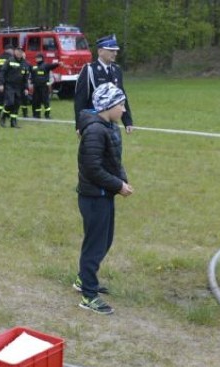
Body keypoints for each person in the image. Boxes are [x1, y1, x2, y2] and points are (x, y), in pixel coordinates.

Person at [74, 83, 134, 315]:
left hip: (104, 194)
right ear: (108, 106)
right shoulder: (95, 131)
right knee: (95, 244)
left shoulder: (109, 126)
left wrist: (122, 180)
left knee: (105, 240)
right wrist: (117, 185)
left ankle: (83, 279)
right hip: (93, 197)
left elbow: (113, 161)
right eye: (120, 105)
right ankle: (88, 294)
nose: (124, 109)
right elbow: (92, 169)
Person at [73, 34, 134, 134]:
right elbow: (80, 100)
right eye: (111, 50)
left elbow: (121, 97)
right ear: (100, 51)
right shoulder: (89, 70)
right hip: (94, 122)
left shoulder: (116, 70)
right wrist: (79, 125)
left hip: (112, 123)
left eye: (115, 51)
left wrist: (127, 121)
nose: (115, 53)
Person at [0, 45, 29, 128]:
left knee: (17, 105)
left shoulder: (24, 63)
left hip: (19, 87)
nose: (19, 53)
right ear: (15, 51)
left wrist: (26, 88)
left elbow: (25, 77)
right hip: (9, 85)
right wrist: (1, 84)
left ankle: (13, 122)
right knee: (10, 102)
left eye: (21, 51)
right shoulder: (10, 61)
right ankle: (3, 117)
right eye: (18, 51)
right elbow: (2, 72)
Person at [31, 53, 59, 119]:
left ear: (42, 58)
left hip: (44, 87)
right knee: (36, 101)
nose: (37, 59)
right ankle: (37, 114)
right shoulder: (34, 66)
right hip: (36, 87)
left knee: (45, 101)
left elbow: (52, 65)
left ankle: (47, 115)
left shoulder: (46, 65)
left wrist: (58, 63)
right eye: (36, 58)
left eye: (38, 58)